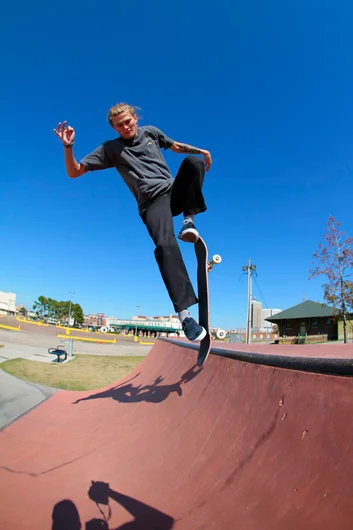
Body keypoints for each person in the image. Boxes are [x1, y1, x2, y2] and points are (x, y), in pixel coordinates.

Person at [54, 103, 212, 342]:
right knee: (165, 246)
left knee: (193, 163)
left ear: (135, 118)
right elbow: (75, 171)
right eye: (119, 125)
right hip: (152, 204)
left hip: (173, 191)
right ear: (114, 128)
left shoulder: (150, 132)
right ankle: (185, 316)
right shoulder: (110, 149)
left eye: (128, 121)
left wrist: (202, 151)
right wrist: (68, 146)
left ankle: (188, 222)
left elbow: (176, 146)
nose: (125, 127)